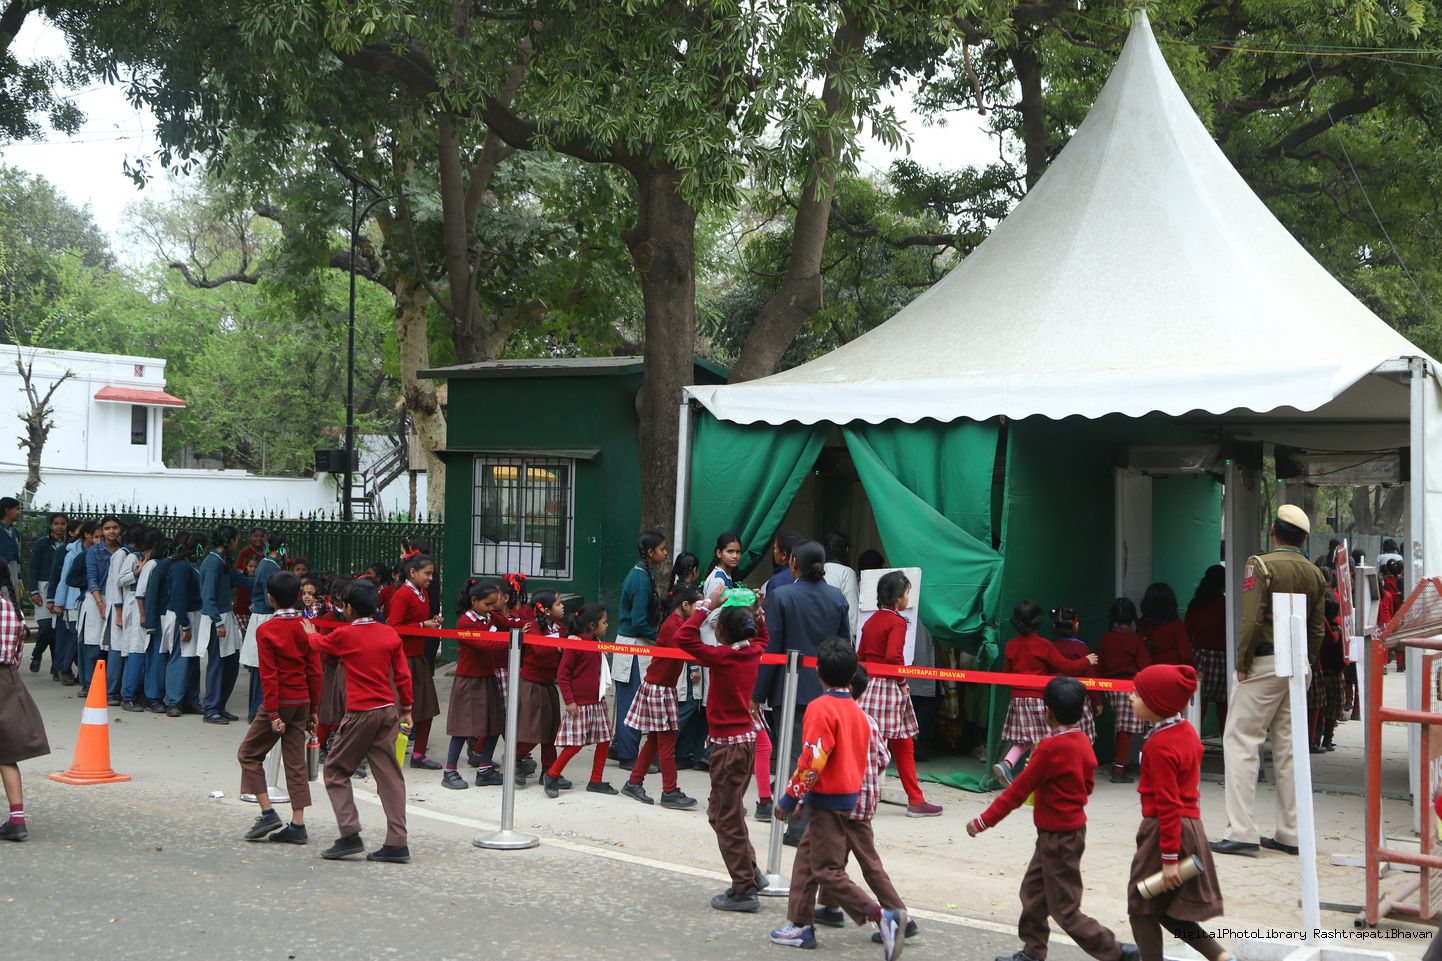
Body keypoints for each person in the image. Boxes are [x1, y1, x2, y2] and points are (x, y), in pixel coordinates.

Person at [968, 677, 1137, 961]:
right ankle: (1033, 952)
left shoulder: (1047, 749)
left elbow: (1017, 792)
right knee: (1033, 892)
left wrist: (983, 821)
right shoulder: (1083, 742)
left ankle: (1117, 952)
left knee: (1064, 909)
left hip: (1058, 836)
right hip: (1066, 832)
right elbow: (1087, 784)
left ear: (1047, 712)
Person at [772, 636, 908, 960]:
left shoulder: (820, 708)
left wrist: (790, 799)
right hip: (845, 798)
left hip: (827, 800)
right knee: (806, 860)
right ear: (851, 675)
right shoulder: (858, 714)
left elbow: (813, 759)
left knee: (826, 869)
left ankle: (882, 916)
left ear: (818, 672)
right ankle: (800, 925)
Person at [1212, 504, 1327, 857]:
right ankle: (1291, 834)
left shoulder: (1259, 565)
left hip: (1263, 663)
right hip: (1297, 666)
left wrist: (1242, 663)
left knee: (1240, 740)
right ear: (1303, 538)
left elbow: (1250, 621)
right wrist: (1307, 663)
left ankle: (1242, 831)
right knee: (1289, 750)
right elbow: (1318, 629)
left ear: (1274, 531)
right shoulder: (1315, 573)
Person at [673, 584, 770, 913]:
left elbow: (684, 638)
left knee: (725, 817)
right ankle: (751, 870)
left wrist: (706, 605)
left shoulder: (724, 657)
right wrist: (756, 610)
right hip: (744, 744)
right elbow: (763, 635)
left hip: (728, 750)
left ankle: (744, 888)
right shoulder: (753, 650)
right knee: (722, 812)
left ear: (722, 633)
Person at [305, 579, 413, 863]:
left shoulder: (346, 635)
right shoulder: (389, 634)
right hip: (388, 710)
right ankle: (397, 842)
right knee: (390, 777)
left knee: (335, 770)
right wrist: (407, 709)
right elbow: (403, 675)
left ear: (348, 608)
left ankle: (350, 834)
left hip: (360, 713)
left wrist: (309, 632)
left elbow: (319, 644)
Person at [1127, 665, 1227, 961]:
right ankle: (1221, 957)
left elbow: (1168, 804)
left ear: (1157, 704)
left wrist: (1169, 859)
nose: (1131, 698)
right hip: (1190, 827)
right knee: (1167, 908)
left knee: (1141, 903)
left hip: (1164, 829)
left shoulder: (1160, 746)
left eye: (1138, 695)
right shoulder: (1186, 732)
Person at [754, 539, 851, 845]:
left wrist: (758, 694)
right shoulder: (837, 598)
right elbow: (844, 647)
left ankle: (798, 829)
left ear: (793, 562)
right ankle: (820, 827)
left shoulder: (782, 596)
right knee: (824, 759)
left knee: (796, 758)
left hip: (790, 691)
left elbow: (772, 648)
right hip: (829, 691)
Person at [814, 666, 918, 945]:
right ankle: (829, 906)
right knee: (837, 852)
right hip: (865, 798)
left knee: (868, 862)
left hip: (846, 798)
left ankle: (900, 915)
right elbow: (884, 757)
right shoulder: (869, 720)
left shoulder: (840, 718)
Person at [237, 572, 320, 845]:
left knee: (248, 754)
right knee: (295, 763)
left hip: (280, 701)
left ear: (270, 599)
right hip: (302, 701)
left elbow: (269, 675)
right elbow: (314, 671)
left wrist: (272, 713)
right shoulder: (307, 626)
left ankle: (267, 812)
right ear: (298, 595)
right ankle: (298, 824)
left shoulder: (266, 630)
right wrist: (314, 708)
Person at [856, 570, 941, 817]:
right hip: (889, 688)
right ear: (897, 598)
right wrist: (903, 682)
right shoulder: (898, 622)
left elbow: (860, 656)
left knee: (891, 744)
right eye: (906, 593)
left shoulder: (871, 621)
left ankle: (915, 799)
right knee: (893, 746)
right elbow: (894, 657)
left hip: (869, 688)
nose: (907, 598)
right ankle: (911, 800)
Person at [994, 600, 1098, 785]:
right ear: (1039, 621)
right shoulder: (1044, 645)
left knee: (1026, 740)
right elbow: (1067, 667)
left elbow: (1006, 675)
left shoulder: (1010, 645)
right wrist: (1087, 661)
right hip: (1039, 700)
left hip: (1017, 700)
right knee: (1044, 740)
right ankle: (1035, 777)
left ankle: (1007, 763)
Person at [621, 585, 700, 810]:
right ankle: (669, 791)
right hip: (659, 689)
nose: (700, 609)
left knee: (656, 740)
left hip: (662, 688)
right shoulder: (673, 627)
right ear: (685, 605)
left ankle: (634, 782)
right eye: (698, 605)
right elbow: (692, 648)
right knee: (666, 742)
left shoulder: (677, 623)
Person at [442, 579, 508, 790]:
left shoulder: (489, 617)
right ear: (474, 601)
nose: (492, 608)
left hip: (487, 677)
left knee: (494, 724)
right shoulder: (465, 622)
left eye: (494, 604)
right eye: (488, 604)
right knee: (463, 727)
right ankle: (450, 771)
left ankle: (485, 769)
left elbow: (508, 624)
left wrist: (525, 628)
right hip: (469, 681)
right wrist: (510, 639)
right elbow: (486, 644)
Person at [545, 602, 616, 797]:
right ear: (592, 625)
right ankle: (551, 775)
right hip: (579, 705)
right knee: (576, 744)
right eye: (604, 622)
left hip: (597, 702)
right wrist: (569, 701)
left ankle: (596, 780)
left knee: (604, 740)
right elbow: (562, 674)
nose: (607, 625)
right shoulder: (575, 644)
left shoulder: (596, 642)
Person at [612, 531, 668, 768]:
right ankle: (628, 756)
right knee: (632, 705)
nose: (665, 553)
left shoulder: (644, 574)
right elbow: (638, 622)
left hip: (635, 645)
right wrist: (661, 638)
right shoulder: (641, 581)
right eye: (662, 549)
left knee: (630, 703)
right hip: (633, 648)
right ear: (650, 552)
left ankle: (621, 747)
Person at [385, 554, 443, 769]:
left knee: (427, 707)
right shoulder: (402, 595)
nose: (430, 578)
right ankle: (388, 755)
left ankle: (418, 754)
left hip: (419, 658)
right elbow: (394, 628)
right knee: (398, 708)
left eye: (432, 574)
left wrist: (431, 623)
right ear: (413, 572)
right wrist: (422, 626)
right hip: (402, 660)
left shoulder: (423, 593)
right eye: (427, 574)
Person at [0, 587, 48, 841]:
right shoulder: (13, 609)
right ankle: (17, 821)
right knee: (6, 754)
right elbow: (18, 653)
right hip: (7, 680)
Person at [515, 589, 568, 789]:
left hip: (548, 684)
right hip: (532, 684)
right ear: (546, 610)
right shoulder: (533, 628)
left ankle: (548, 771)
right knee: (534, 730)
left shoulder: (560, 628)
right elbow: (540, 649)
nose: (562, 606)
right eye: (558, 603)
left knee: (551, 731)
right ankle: (515, 758)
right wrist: (560, 644)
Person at [1098, 598, 1151, 784]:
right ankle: (1118, 769)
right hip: (1128, 686)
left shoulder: (1105, 638)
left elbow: (1099, 665)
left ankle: (1121, 765)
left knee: (1123, 728)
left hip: (1109, 687)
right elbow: (1145, 666)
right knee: (1125, 730)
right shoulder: (1135, 640)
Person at [200, 526, 246, 724]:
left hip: (226, 616)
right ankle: (211, 709)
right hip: (217, 619)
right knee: (217, 664)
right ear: (231, 541)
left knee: (231, 662)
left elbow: (239, 580)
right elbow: (207, 596)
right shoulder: (213, 562)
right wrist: (218, 622)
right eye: (237, 539)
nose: (238, 542)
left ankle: (220, 705)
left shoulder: (222, 560)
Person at [240, 533, 287, 722]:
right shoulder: (269, 566)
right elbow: (270, 598)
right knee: (262, 667)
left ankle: (258, 711)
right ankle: (257, 712)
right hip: (266, 616)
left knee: (261, 667)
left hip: (263, 616)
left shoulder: (269, 563)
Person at [78, 515, 121, 695]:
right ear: (102, 531)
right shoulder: (94, 551)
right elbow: (92, 578)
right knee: (93, 644)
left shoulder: (124, 550)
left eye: (115, 527)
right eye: (107, 528)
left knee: (112, 645)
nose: (112, 531)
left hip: (117, 599)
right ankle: (89, 684)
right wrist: (100, 603)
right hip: (96, 598)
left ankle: (109, 686)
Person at [163, 534, 205, 717]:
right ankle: (173, 701)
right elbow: (178, 596)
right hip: (183, 617)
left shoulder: (192, 565)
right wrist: (184, 624)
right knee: (180, 658)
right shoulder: (180, 567)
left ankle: (191, 699)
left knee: (193, 659)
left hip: (194, 615)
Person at [119, 528, 160, 712]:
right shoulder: (135, 558)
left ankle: (138, 695)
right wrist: (137, 571)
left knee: (142, 653)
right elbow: (121, 580)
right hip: (136, 608)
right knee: (136, 652)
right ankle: (128, 697)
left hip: (142, 609)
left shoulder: (151, 561)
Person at [50, 518, 92, 687]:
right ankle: (64, 668)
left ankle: (82, 673)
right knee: (75, 636)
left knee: (86, 639)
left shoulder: (100, 552)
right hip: (72, 603)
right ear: (87, 535)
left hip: (91, 602)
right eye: (97, 536)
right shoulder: (72, 554)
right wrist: (58, 602)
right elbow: (64, 580)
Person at [1185, 566, 1227, 731]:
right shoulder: (1225, 604)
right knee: (1224, 705)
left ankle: (1193, 739)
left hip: (1199, 657)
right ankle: (1227, 742)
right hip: (1222, 658)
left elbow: (1187, 632)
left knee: (1198, 703)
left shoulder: (1196, 603)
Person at [1051, 606, 1102, 744]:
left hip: (1054, 698)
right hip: (1078, 700)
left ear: (1054, 625)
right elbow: (1090, 677)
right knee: (1082, 740)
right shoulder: (1081, 647)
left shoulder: (1050, 646)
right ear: (1076, 625)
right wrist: (1097, 702)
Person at [26, 511, 67, 675]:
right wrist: (34, 591)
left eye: (62, 524)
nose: (59, 527)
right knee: (45, 627)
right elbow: (33, 568)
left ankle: (56, 666)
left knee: (57, 630)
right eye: (56, 523)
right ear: (50, 526)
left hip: (62, 588)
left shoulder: (69, 545)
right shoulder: (42, 544)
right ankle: (37, 654)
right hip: (43, 588)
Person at [141, 532, 175, 712]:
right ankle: (152, 697)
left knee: (166, 658)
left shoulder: (173, 566)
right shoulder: (159, 566)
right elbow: (149, 595)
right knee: (157, 658)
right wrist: (150, 621)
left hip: (168, 616)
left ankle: (162, 694)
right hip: (160, 617)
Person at [1139, 584, 1192, 668]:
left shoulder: (1142, 623)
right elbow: (1186, 655)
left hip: (1149, 670)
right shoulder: (1176, 624)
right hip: (1173, 670)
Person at [822, 531, 860, 639]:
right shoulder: (846, 572)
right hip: (837, 638)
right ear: (846, 550)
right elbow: (852, 614)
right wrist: (854, 639)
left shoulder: (817, 570)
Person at [765, 529, 803, 595]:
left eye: (775, 548)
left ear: (784, 555)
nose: (773, 552)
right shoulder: (810, 576)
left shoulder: (777, 581)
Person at [0, 497, 20, 604]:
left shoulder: (15, 532)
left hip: (13, 571)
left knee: (12, 602)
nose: (19, 512)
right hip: (2, 569)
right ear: (7, 510)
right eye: (17, 509)